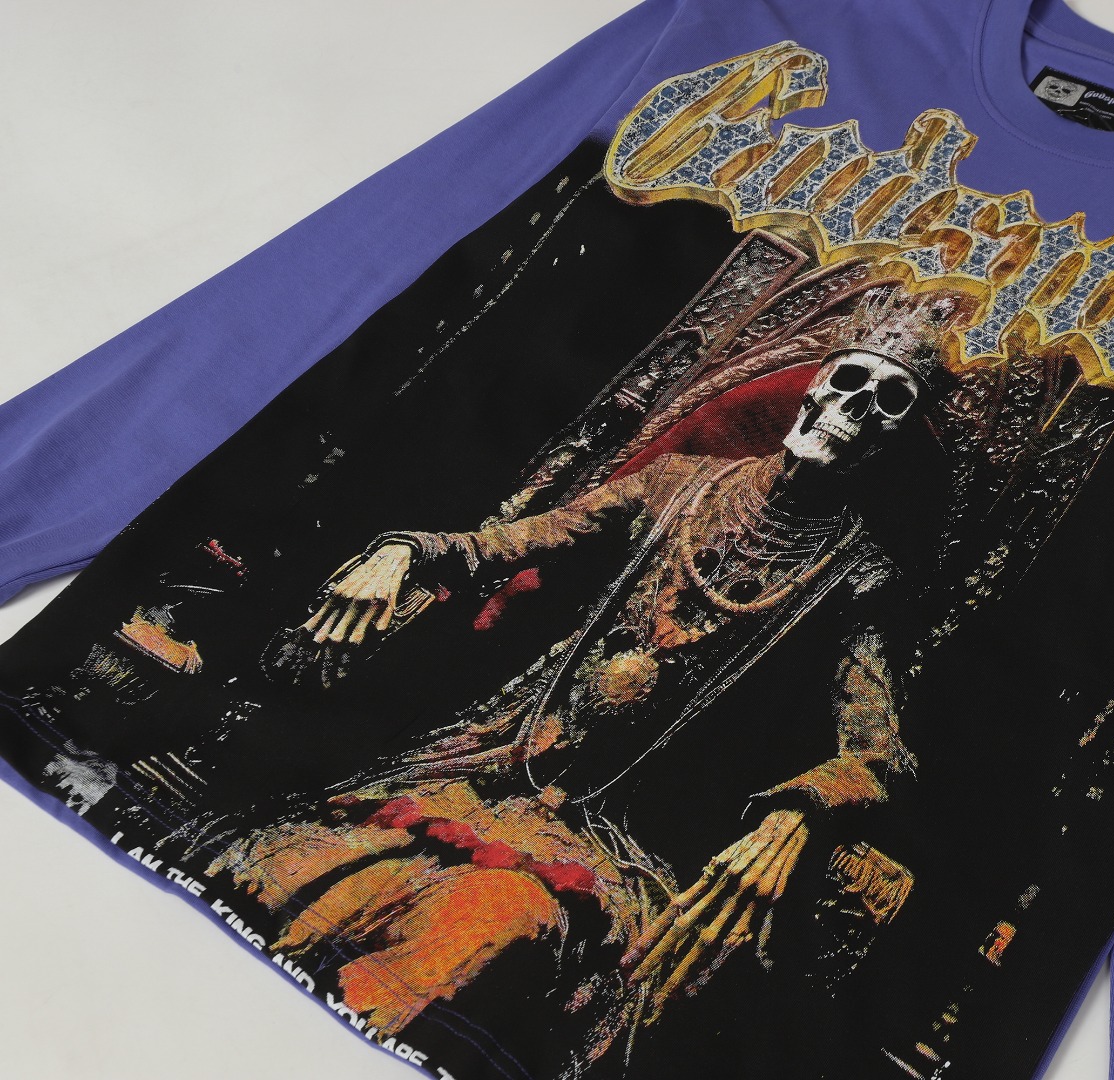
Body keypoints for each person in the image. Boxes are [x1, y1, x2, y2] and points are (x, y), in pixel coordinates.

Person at [206, 285, 956, 1066]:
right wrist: (404, 550)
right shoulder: (675, 484)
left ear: (894, 439)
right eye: (849, 383)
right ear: (817, 384)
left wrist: (798, 814)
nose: (855, 410)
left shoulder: (861, 578)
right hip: (499, 760)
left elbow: (879, 756)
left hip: (618, 830)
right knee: (307, 879)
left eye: (889, 403)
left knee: (485, 929)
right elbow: (512, 542)